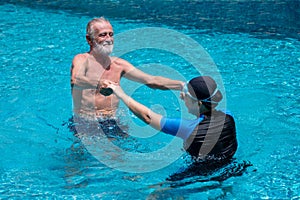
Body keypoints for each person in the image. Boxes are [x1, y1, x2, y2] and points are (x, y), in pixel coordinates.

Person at [70, 17, 184, 122]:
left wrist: (182, 85)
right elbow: (75, 80)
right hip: (85, 121)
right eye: (103, 35)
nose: (109, 39)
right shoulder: (82, 60)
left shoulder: (119, 65)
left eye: (111, 34)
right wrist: (99, 83)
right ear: (89, 40)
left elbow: (151, 80)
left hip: (112, 121)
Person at [103, 76, 238, 163]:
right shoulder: (228, 115)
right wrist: (180, 85)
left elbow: (147, 116)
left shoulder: (187, 128)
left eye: (185, 96)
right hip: (232, 167)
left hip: (199, 174)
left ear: (199, 104)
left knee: (156, 194)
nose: (181, 97)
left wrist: (119, 92)